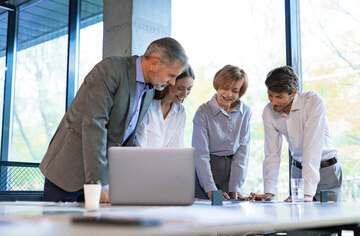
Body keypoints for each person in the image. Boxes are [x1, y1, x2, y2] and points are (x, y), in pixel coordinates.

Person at [39, 37, 188, 203]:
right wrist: (99, 184)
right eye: (172, 75)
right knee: (59, 227)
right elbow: (94, 125)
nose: (172, 82)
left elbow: (129, 137)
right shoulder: (111, 69)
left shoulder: (149, 90)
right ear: (154, 63)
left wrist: (148, 174)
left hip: (102, 174)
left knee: (93, 228)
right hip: (69, 170)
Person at [249, 66, 342, 202]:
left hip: (326, 169)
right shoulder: (268, 112)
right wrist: (268, 192)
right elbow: (271, 153)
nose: (273, 102)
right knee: (301, 219)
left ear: (294, 92)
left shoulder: (313, 102)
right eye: (270, 95)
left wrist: (307, 193)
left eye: (279, 97)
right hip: (298, 170)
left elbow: (312, 147)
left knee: (327, 221)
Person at [192, 65, 251, 200]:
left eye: (235, 90)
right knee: (208, 215)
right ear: (217, 86)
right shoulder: (203, 112)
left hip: (231, 174)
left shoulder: (246, 111)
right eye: (224, 88)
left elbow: (243, 151)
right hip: (207, 173)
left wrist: (235, 186)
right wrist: (210, 188)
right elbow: (201, 154)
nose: (229, 94)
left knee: (230, 215)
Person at [136, 67, 195, 147]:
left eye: (189, 89)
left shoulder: (180, 112)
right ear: (168, 83)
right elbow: (140, 145)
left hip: (166, 159)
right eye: (180, 88)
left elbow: (177, 148)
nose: (185, 94)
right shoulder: (147, 106)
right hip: (142, 158)